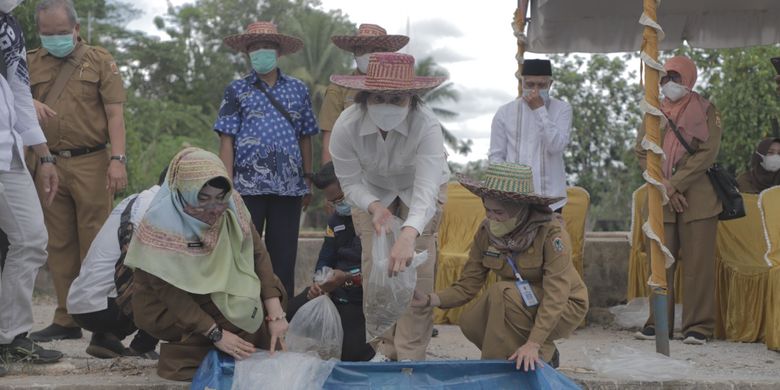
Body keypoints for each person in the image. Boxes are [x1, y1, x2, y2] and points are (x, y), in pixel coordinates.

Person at [127, 148, 288, 381]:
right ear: (184, 192)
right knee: (235, 317)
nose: (214, 209)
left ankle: (236, 349)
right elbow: (170, 294)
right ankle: (193, 354)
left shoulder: (233, 206)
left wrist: (276, 314)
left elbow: (257, 252)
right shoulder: (159, 226)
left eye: (219, 198)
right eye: (203, 199)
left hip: (215, 289)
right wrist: (216, 334)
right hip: (167, 305)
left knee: (271, 292)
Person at [329, 52, 450, 361]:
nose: (386, 105)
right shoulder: (347, 125)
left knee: (416, 268)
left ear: (412, 98)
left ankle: (410, 356)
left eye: (396, 99)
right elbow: (349, 181)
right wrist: (373, 207)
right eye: (379, 97)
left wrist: (408, 235)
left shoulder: (427, 126)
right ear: (364, 97)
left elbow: (425, 191)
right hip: (370, 191)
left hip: (418, 192)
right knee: (375, 268)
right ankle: (384, 349)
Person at [411, 163, 588, 371]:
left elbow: (556, 294)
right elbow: (469, 283)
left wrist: (535, 342)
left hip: (564, 305)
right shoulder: (487, 232)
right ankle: (532, 354)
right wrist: (431, 299)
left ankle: (504, 367)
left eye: (499, 212)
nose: (491, 217)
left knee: (502, 293)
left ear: (520, 210)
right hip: (518, 303)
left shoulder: (551, 233)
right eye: (487, 210)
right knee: (471, 321)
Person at [27, 0, 128, 342]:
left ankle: (101, 323)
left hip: (92, 163)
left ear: (76, 29)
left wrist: (118, 160)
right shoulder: (28, 63)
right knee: (59, 245)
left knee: (97, 244)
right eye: (47, 33)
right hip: (47, 164)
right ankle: (66, 319)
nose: (54, 38)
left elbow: (115, 115)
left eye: (60, 32)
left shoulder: (100, 60)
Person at [216, 21, 318, 297]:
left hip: (289, 187)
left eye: (268, 47)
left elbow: (306, 136)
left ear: (279, 52)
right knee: (244, 252)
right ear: (247, 52)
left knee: (284, 256)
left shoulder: (298, 89)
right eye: (255, 47)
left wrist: (308, 178)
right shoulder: (236, 90)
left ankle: (281, 317)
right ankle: (245, 315)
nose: (262, 52)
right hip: (246, 187)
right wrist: (227, 187)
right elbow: (227, 138)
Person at [634, 55, 722, 345]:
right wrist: (664, 186)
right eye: (665, 77)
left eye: (676, 77)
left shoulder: (707, 110)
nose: (669, 83)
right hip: (661, 197)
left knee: (699, 265)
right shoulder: (652, 111)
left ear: (689, 78)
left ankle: (698, 327)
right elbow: (641, 151)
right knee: (659, 264)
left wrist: (676, 185)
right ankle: (658, 323)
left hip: (697, 199)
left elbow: (707, 153)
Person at [0, 0, 62, 373]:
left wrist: (45, 154)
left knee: (31, 239)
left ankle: (11, 337)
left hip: (9, 153)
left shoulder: (10, 28)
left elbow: (21, 92)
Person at [66, 169, 169, 359]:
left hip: (83, 304)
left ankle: (105, 338)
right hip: (104, 308)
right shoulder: (158, 208)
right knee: (176, 274)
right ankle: (142, 347)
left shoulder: (138, 198)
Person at [286, 162, 375, 361]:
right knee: (286, 313)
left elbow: (376, 269)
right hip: (334, 292)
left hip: (360, 299)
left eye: (340, 198)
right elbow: (325, 257)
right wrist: (319, 282)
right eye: (332, 201)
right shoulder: (335, 221)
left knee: (353, 354)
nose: (337, 204)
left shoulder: (373, 217)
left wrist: (348, 278)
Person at [488, 59, 572, 213]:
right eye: (530, 84)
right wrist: (505, 191)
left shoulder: (562, 109)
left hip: (551, 200)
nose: (535, 90)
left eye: (541, 85)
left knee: (549, 238)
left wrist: (539, 110)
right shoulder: (504, 112)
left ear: (550, 84)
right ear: (522, 83)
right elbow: (496, 157)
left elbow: (556, 146)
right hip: (513, 199)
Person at [319, 23, 409, 164]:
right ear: (354, 53)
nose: (368, 54)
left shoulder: (403, 89)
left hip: (395, 167)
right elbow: (329, 139)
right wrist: (330, 178)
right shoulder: (338, 89)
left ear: (386, 54)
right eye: (362, 49)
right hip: (351, 166)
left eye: (375, 50)